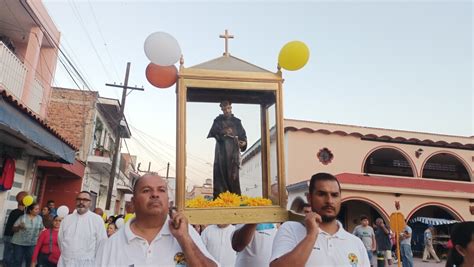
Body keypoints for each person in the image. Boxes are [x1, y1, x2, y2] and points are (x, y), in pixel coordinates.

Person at [95, 174, 217, 266]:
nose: (155, 194)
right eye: (146, 190)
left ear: (169, 201)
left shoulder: (186, 233)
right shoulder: (110, 246)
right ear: (133, 202)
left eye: (161, 190)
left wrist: (184, 239)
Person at [270, 172, 369, 267]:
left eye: (334, 195)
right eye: (322, 194)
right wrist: (311, 235)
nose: (329, 201)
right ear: (309, 198)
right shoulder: (291, 229)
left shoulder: (355, 243)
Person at [207, 100, 247, 198]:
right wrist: (223, 132)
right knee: (220, 176)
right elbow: (213, 133)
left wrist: (243, 143)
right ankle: (220, 199)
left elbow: (243, 137)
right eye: (224, 109)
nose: (227, 110)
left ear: (231, 107)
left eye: (228, 108)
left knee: (233, 177)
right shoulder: (218, 120)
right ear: (221, 109)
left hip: (233, 153)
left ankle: (235, 199)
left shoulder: (237, 122)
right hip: (221, 153)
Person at [57, 191, 107, 266]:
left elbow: (101, 244)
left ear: (90, 203)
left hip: (87, 263)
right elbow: (60, 240)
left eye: (85, 200)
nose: (81, 202)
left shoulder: (97, 220)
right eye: (79, 199)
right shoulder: (67, 219)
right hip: (66, 261)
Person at [11, 202, 43, 267]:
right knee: (17, 260)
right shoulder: (22, 217)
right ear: (30, 210)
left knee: (30, 260)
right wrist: (19, 227)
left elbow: (41, 229)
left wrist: (39, 239)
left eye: (38, 209)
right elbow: (13, 229)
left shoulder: (39, 218)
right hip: (19, 243)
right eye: (36, 209)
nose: (38, 211)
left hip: (32, 244)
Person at [3, 192, 26, 267]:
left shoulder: (14, 212)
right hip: (12, 237)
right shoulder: (20, 214)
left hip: (8, 235)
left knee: (7, 255)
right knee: (11, 256)